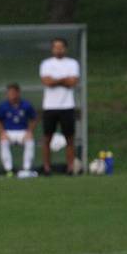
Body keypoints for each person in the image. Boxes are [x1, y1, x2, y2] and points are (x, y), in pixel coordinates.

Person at [40, 37, 79, 175]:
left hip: (67, 106)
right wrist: (63, 79)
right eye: (56, 47)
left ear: (65, 48)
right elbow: (47, 81)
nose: (58, 49)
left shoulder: (72, 63)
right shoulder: (46, 64)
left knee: (69, 138)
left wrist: (56, 80)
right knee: (47, 139)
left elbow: (73, 82)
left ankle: (70, 167)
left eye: (61, 47)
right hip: (50, 107)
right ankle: (46, 167)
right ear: (52, 49)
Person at [0, 83, 38, 178]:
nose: (12, 95)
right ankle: (8, 170)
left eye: (14, 93)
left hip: (23, 131)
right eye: (10, 93)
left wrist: (29, 131)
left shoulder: (26, 105)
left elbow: (34, 118)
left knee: (30, 140)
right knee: (3, 141)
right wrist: (2, 132)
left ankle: (26, 169)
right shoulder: (3, 106)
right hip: (8, 132)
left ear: (18, 93)